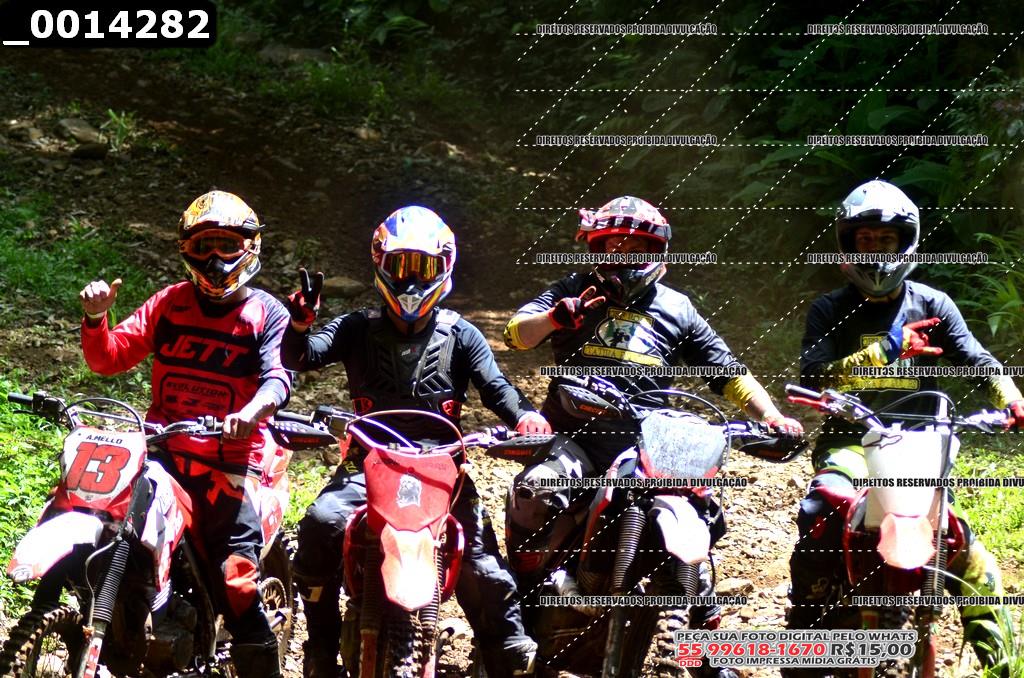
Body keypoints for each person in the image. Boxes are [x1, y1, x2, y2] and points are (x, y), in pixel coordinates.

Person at [502, 195, 804, 678]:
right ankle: (514, 616)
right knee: (535, 491)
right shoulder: (574, 289)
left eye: (635, 246)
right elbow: (516, 334)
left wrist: (771, 416)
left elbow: (726, 371)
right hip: (575, 435)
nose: (622, 255)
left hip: (647, 443)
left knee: (698, 507)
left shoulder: (676, 308)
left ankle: (706, 646)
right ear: (596, 250)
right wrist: (558, 317)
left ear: (656, 250)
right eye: (612, 246)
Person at [282, 205, 548, 678]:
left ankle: (507, 655)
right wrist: (299, 324)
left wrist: (525, 415)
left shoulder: (461, 334)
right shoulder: (356, 327)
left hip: (443, 466)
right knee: (321, 524)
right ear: (380, 265)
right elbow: (302, 357)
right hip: (369, 459)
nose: (410, 280)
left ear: (444, 268)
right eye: (400, 266)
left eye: (422, 268)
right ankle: (319, 646)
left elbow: (496, 388)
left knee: (484, 567)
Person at [786, 179, 1024, 676]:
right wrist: (889, 349)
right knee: (821, 509)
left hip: (920, 447)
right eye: (865, 239)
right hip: (852, 443)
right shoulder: (831, 309)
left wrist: (1012, 398)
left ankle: (1004, 665)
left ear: (905, 242)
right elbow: (815, 378)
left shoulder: (933, 305)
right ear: (848, 244)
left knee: (963, 549)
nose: (875, 248)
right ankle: (807, 630)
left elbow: (978, 361)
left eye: (886, 239)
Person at [78, 190, 292, 678]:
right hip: (164, 453)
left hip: (231, 464)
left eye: (226, 245)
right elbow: (109, 357)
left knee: (237, 581)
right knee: (108, 523)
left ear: (250, 247)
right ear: (186, 251)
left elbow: (278, 378)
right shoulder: (170, 303)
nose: (215, 258)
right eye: (203, 246)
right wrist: (96, 319)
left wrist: (252, 411)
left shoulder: (266, 313)